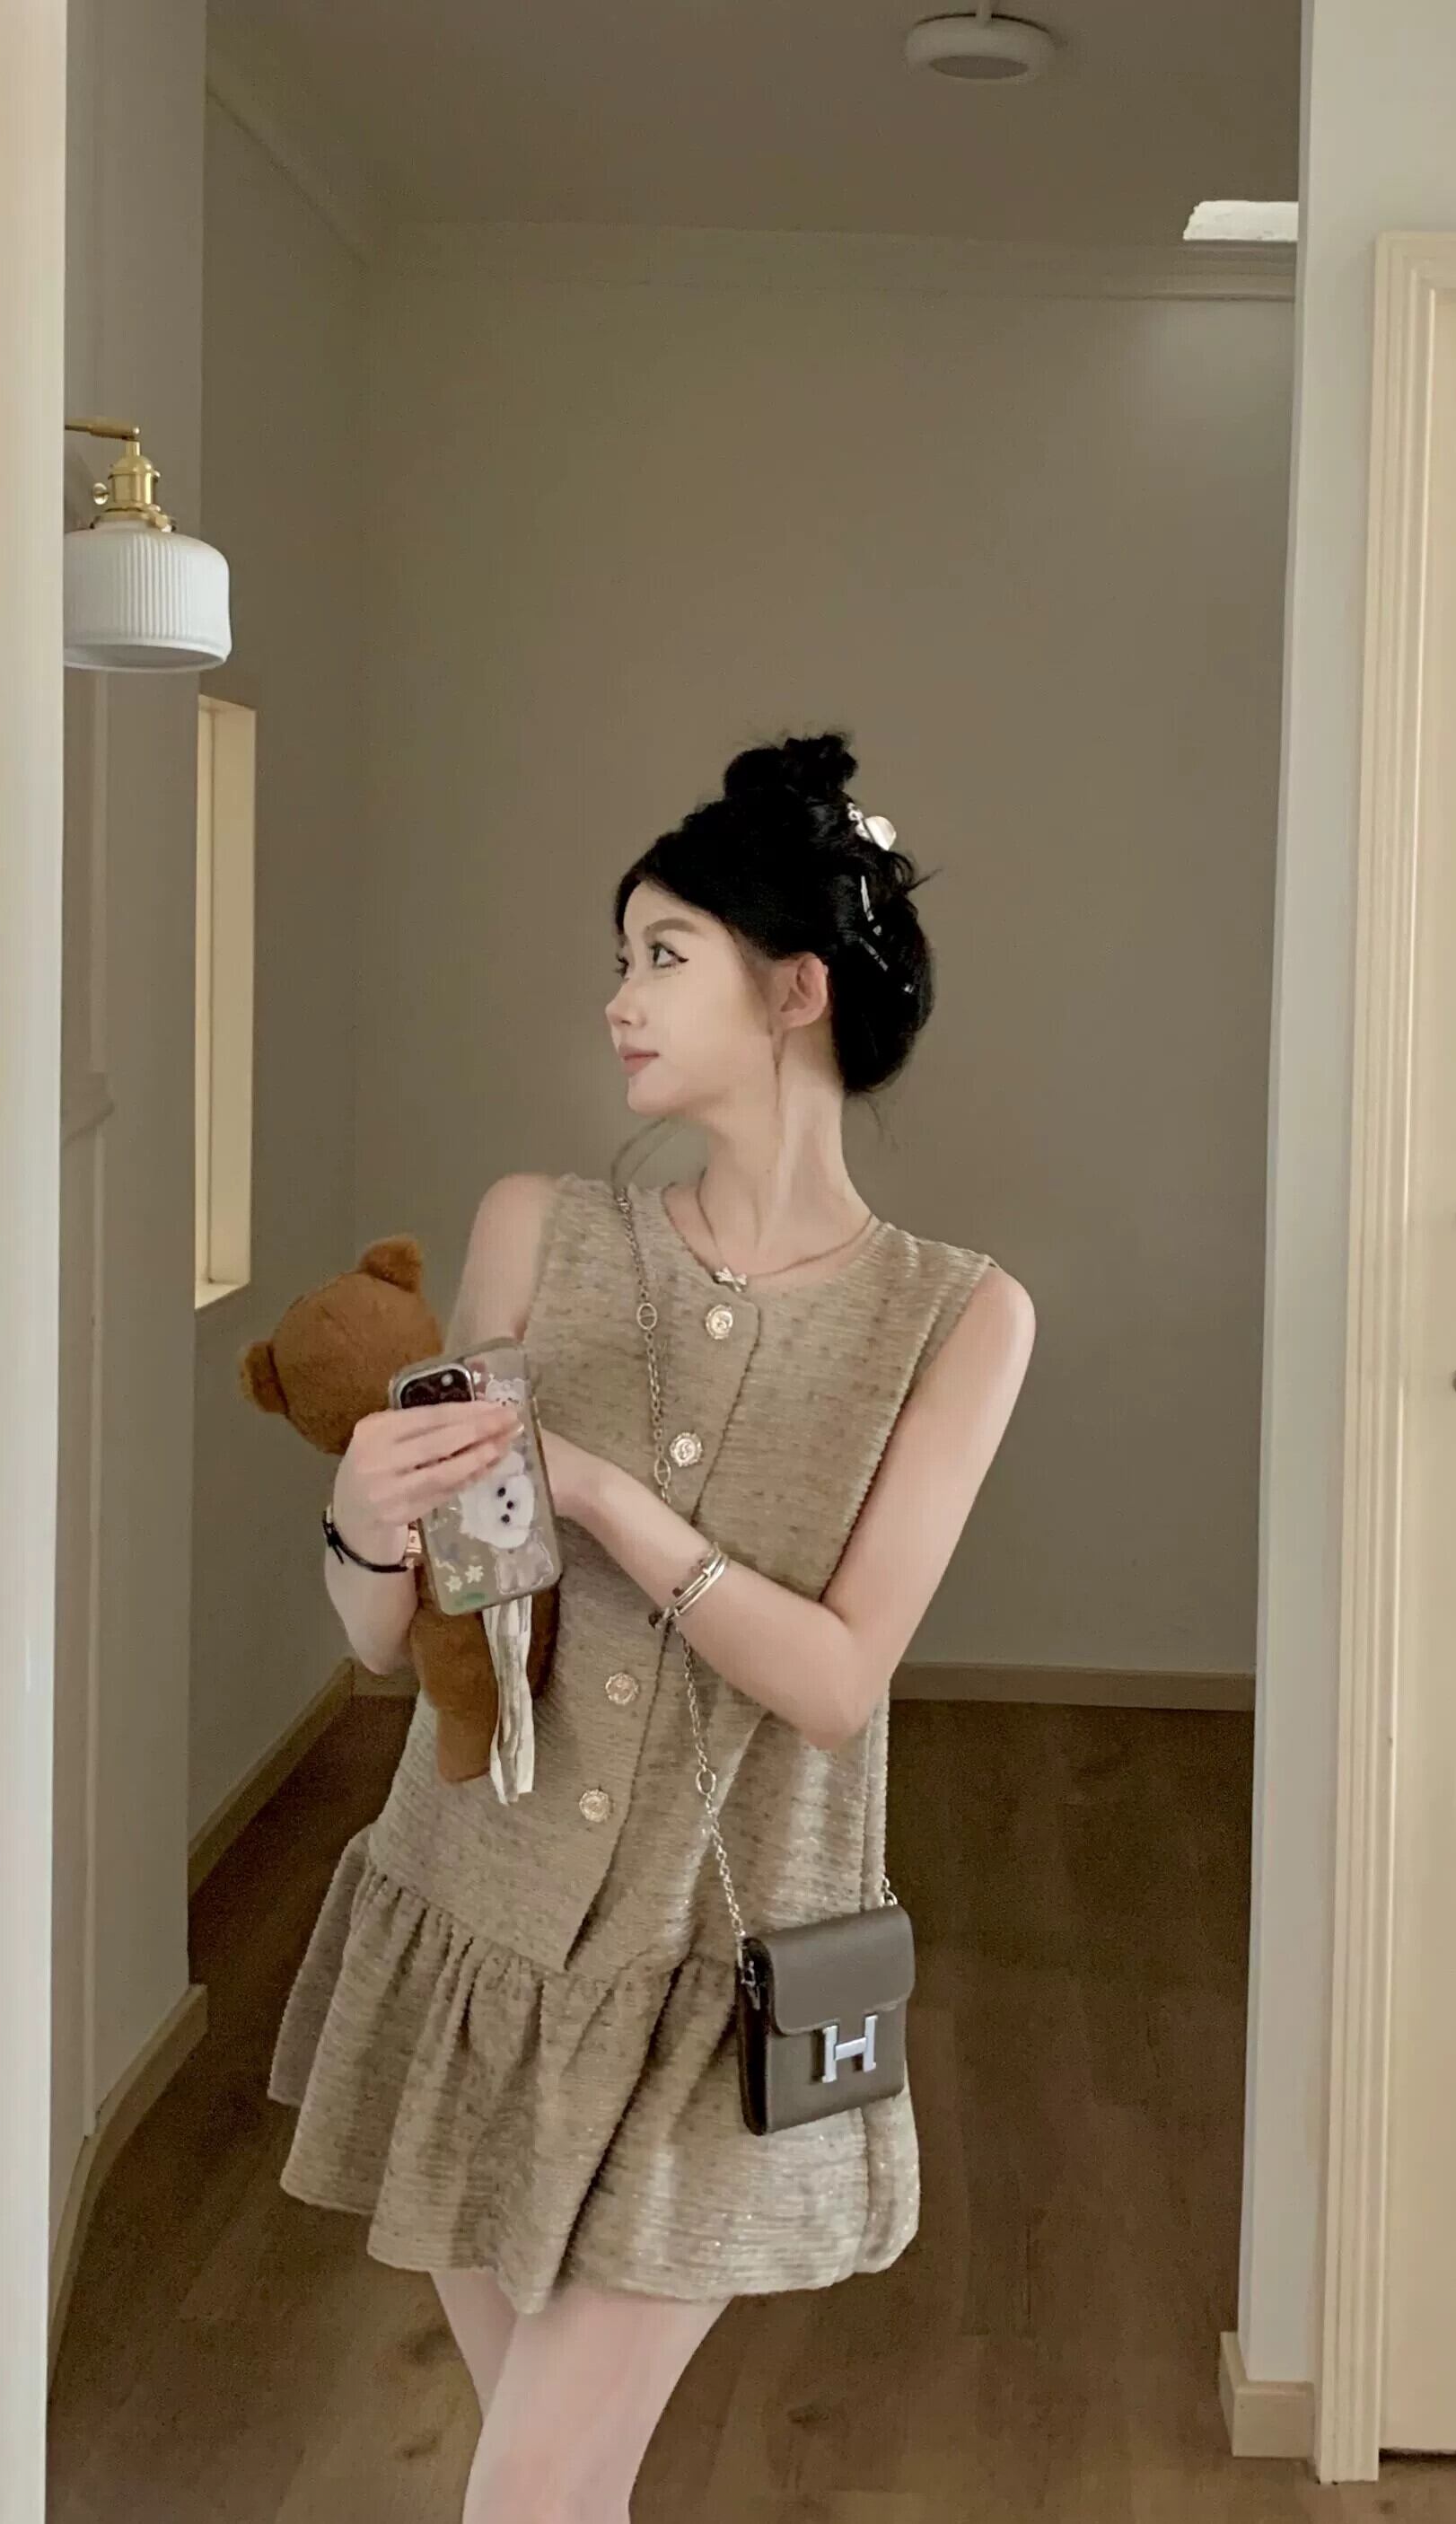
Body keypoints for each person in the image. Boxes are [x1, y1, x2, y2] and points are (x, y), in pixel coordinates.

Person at [267, 732, 1035, 2521]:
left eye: (664, 954)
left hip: (722, 1979)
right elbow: (399, 1642)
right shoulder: (535, 1230)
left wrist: (610, 1499)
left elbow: (837, 1681)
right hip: (476, 1932)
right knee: (561, 2496)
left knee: (528, 2495)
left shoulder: (957, 1317)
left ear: (795, 989)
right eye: (620, 956)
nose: (619, 999)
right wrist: (366, 1518)